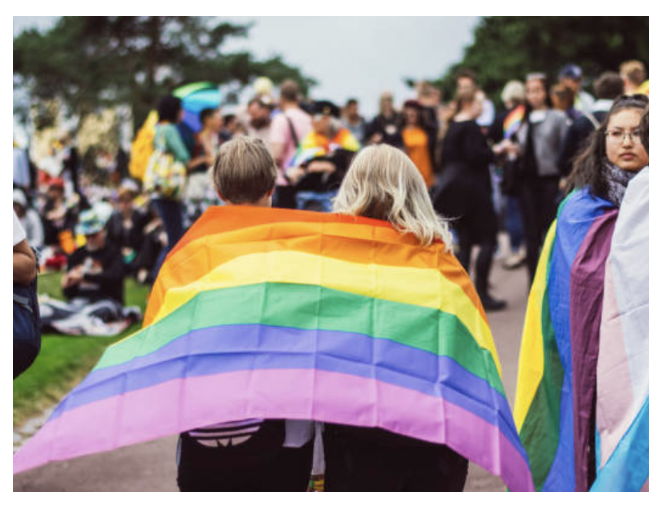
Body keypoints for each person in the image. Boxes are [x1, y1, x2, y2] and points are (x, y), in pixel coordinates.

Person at [514, 94, 648, 491]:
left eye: (639, 134)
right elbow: (575, 276)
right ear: (602, 139)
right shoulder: (580, 205)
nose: (626, 142)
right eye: (617, 133)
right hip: (593, 347)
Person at [326, 144, 469, 491]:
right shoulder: (441, 265)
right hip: (430, 439)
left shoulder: (328, 262)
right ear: (415, 193)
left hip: (351, 436)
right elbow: (465, 354)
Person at [176, 136, 314, 492]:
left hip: (204, 427)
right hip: (285, 432)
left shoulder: (191, 255)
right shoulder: (297, 254)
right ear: (272, 187)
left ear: (218, 190)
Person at [434, 87, 506, 310]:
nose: (482, 107)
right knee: (488, 240)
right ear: (468, 103)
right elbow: (476, 155)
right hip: (474, 191)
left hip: (456, 193)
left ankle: (462, 292)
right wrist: (497, 152)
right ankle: (482, 293)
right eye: (479, 102)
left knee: (464, 242)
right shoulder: (470, 127)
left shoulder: (451, 127)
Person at [495, 73, 569, 285]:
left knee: (550, 231)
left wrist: (564, 176)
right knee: (531, 233)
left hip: (550, 180)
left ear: (545, 92)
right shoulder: (519, 119)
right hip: (526, 181)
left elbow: (564, 149)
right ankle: (533, 284)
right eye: (529, 91)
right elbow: (506, 141)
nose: (533, 95)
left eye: (537, 90)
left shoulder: (557, 117)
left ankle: (553, 280)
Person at [151, 95, 208, 272]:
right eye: (180, 109)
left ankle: (159, 279)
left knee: (172, 236)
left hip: (160, 188)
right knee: (175, 240)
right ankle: (158, 280)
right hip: (171, 189)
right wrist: (206, 158)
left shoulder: (158, 129)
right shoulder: (170, 130)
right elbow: (184, 159)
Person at [286, 100, 359, 212]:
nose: (312, 121)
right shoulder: (309, 139)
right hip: (308, 198)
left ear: (328, 119)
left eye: (315, 117)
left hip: (337, 198)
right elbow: (294, 166)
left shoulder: (347, 140)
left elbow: (354, 168)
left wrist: (331, 166)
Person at [489, 80, 526, 269]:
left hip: (508, 169)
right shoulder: (525, 114)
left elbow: (492, 140)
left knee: (511, 208)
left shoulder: (502, 117)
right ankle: (526, 245)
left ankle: (516, 247)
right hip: (526, 167)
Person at [559, 71, 624, 177]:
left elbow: (563, 159)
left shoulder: (581, 121)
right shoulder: (629, 120)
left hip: (587, 178)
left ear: (597, 91)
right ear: (621, 91)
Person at [269, 79, 313, 209]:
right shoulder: (309, 119)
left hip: (285, 181)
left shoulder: (281, 119)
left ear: (282, 98)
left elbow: (277, 154)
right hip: (305, 178)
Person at [184, 107, 221, 224]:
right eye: (218, 118)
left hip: (214, 187)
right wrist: (204, 159)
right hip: (198, 188)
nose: (221, 122)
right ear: (208, 120)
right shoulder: (195, 140)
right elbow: (187, 164)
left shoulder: (219, 139)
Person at [105, 182, 150, 277]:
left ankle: (142, 269)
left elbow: (144, 241)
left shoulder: (140, 217)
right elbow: (109, 240)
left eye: (128, 200)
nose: (125, 204)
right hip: (119, 255)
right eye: (122, 201)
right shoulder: (113, 219)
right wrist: (121, 250)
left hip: (137, 255)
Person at [401, 100, 436, 189]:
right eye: (409, 112)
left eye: (414, 112)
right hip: (409, 176)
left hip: (427, 176)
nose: (411, 114)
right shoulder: (400, 133)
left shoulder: (427, 130)